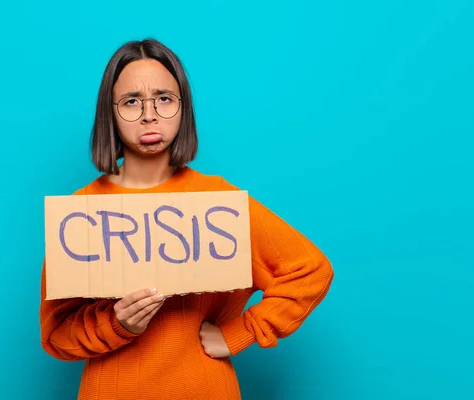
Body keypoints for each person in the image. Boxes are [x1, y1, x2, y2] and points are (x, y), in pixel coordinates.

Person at [39, 38, 334, 400]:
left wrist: (240, 332)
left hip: (205, 388)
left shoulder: (217, 201)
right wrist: (118, 323)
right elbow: (57, 334)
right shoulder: (82, 212)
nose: (150, 114)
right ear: (110, 112)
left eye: (164, 99)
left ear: (182, 108)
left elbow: (310, 269)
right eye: (132, 101)